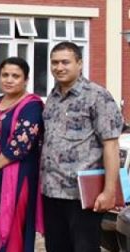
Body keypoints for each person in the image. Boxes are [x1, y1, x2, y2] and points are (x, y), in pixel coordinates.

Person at [40, 41, 124, 251]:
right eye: (54, 62)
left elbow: (111, 145)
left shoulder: (97, 96)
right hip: (52, 192)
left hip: (84, 195)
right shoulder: (53, 97)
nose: (59, 67)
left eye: (65, 62)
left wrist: (109, 191)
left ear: (79, 63)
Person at [0, 57, 44, 252]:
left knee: (13, 229)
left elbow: (21, 143)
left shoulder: (32, 106)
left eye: (15, 76)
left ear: (26, 80)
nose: (9, 80)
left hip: (17, 177)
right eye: (5, 75)